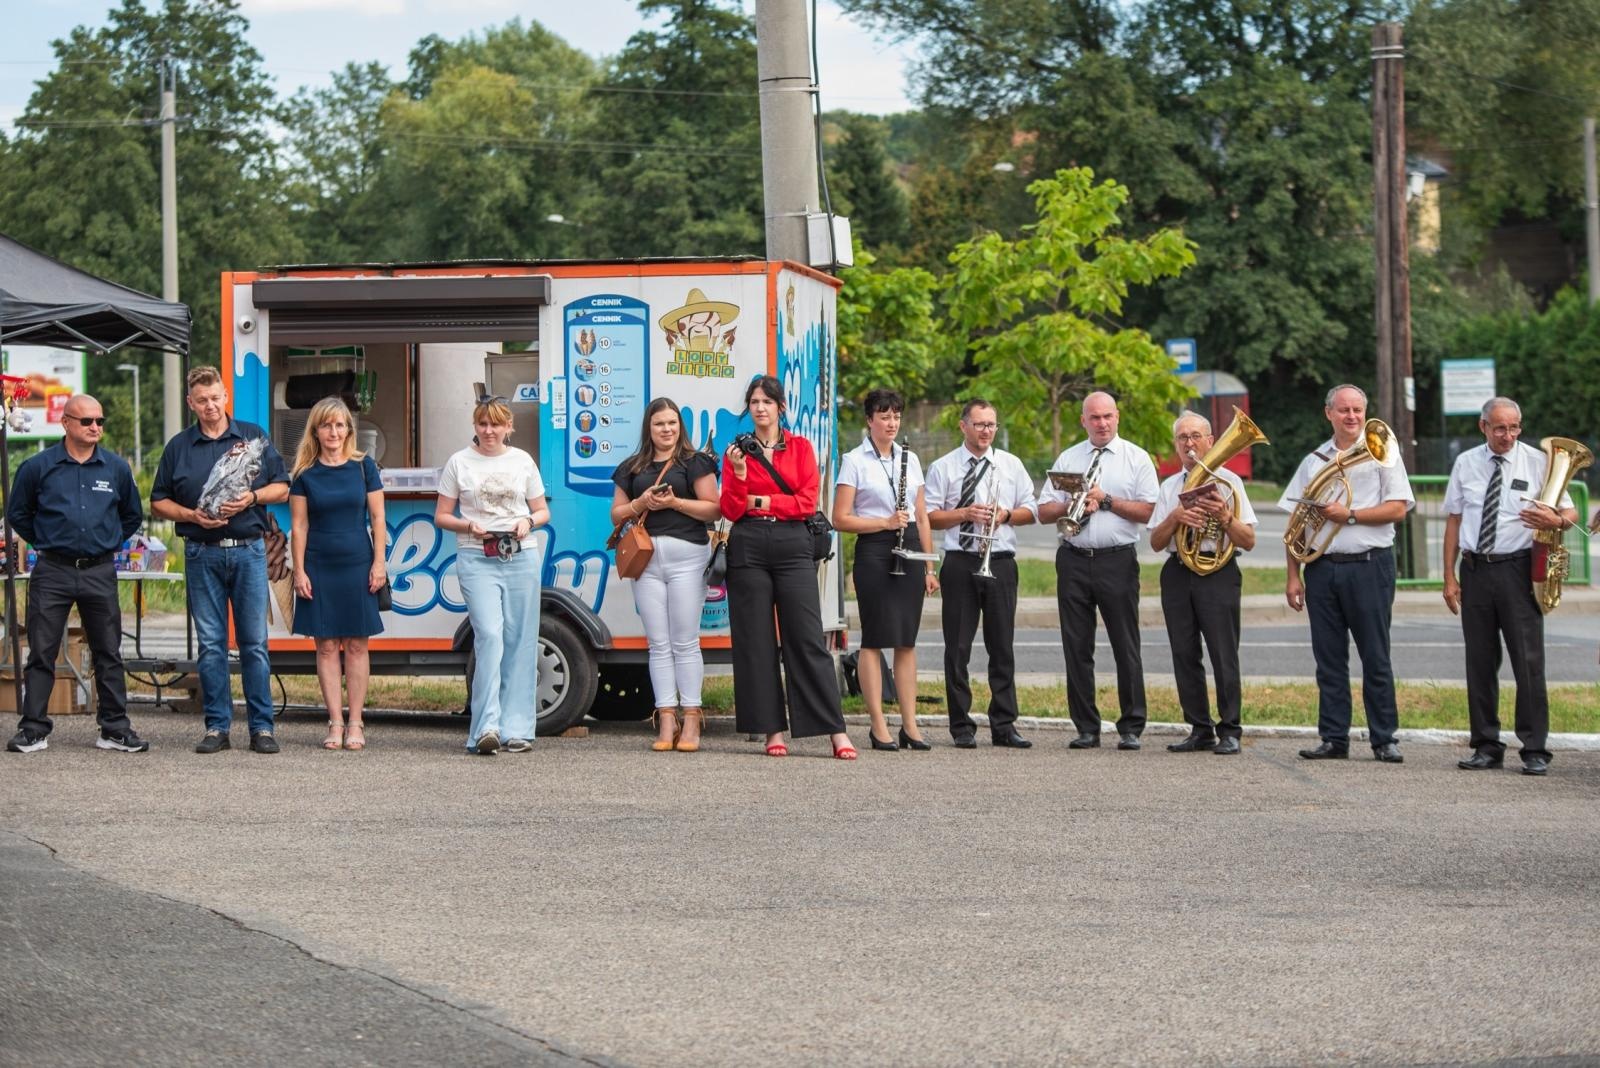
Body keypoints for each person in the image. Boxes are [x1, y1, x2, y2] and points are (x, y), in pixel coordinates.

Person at [151, 367, 291, 755]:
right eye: (202, 400)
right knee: (211, 645)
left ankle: (262, 728)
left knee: (254, 644)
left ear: (226, 396)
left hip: (248, 549)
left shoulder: (253, 437)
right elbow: (158, 501)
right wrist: (191, 515)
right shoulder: (178, 447)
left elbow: (283, 487)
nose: (210, 406)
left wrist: (252, 498)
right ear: (190, 403)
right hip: (201, 552)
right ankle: (217, 727)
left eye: (216, 398)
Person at [720, 375, 854, 759]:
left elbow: (806, 503)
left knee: (806, 636)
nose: (760, 408)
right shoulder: (736, 454)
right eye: (754, 402)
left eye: (767, 401)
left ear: (780, 406)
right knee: (755, 642)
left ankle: (834, 729)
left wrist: (762, 502)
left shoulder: (800, 448)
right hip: (747, 546)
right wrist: (741, 478)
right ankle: (772, 730)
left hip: (794, 544)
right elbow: (731, 510)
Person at [1279, 384, 1414, 763]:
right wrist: (1293, 576)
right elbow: (1296, 523)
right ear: (1329, 414)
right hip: (1322, 569)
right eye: (1344, 410)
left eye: (1357, 410)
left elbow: (1398, 509)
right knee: (1329, 659)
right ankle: (1334, 738)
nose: (1352, 416)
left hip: (1370, 566)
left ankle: (1384, 738)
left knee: (1376, 656)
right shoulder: (1314, 460)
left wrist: (1349, 515)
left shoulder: (1382, 453)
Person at [4, 395, 146, 754]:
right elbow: (18, 514)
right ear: (65, 423)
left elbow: (132, 515)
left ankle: (114, 728)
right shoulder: (38, 467)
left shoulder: (115, 468)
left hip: (99, 571)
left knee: (108, 651)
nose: (95, 427)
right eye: (87, 421)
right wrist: (48, 542)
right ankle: (34, 728)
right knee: (42, 650)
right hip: (53, 571)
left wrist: (107, 542)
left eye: (100, 421)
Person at [1442, 397, 1575, 777]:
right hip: (1475, 569)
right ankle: (1486, 745)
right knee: (1480, 662)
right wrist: (1449, 576)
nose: (1508, 435)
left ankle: (1534, 748)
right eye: (1500, 428)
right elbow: (1454, 519)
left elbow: (1569, 512)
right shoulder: (1465, 462)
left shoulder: (1538, 461)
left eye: (1514, 427)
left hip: (1518, 571)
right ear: (1483, 427)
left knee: (1528, 663)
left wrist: (1555, 518)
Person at [1037, 391, 1159, 751]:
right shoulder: (1069, 456)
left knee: (1125, 644)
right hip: (1074, 557)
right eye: (1094, 418)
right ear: (1083, 421)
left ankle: (1131, 726)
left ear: (1117, 417)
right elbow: (1044, 511)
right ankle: (1086, 727)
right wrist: (1073, 503)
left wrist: (1105, 501)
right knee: (1076, 646)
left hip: (1117, 560)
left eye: (1107, 416)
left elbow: (1150, 511)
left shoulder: (1136, 458)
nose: (1102, 423)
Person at [434, 396, 549, 756]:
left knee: (520, 639)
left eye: (496, 424)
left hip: (520, 554)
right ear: (475, 425)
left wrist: (527, 522)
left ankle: (517, 728)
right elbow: (442, 515)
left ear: (508, 427)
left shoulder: (522, 461)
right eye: (483, 424)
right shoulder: (459, 462)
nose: (489, 431)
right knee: (490, 636)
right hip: (476, 555)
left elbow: (542, 511)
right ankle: (485, 727)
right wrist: (468, 525)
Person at [925, 399, 1038, 749]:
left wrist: (1005, 516)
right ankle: (961, 725)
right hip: (960, 561)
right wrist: (963, 514)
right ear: (963, 427)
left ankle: (1004, 723)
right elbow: (928, 516)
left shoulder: (1010, 464)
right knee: (957, 648)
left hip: (1000, 560)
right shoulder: (944, 467)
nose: (986, 430)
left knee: (1001, 645)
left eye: (991, 424)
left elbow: (1031, 509)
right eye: (979, 424)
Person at [609, 397, 720, 753]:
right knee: (658, 643)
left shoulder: (696, 462)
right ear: (649, 428)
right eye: (659, 424)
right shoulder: (632, 466)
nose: (667, 429)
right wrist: (642, 503)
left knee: (685, 641)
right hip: (647, 560)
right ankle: (665, 717)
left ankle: (691, 719)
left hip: (688, 556)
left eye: (672, 423)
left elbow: (713, 508)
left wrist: (674, 503)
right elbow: (617, 514)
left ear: (680, 426)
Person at [832, 389, 938, 751]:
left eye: (896, 416)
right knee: (875, 639)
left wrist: (928, 564)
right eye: (884, 416)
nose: (891, 423)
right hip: (875, 551)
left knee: (906, 641)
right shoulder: (854, 460)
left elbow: (921, 516)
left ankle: (911, 725)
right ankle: (879, 726)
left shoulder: (911, 458)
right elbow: (840, 518)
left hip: (908, 548)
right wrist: (883, 522)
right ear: (869, 420)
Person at [1147, 410, 1257, 756]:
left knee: (1224, 653)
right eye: (1183, 438)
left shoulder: (1230, 483)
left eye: (1196, 436)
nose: (1190, 444)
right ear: (1176, 445)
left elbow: (1249, 540)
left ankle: (1230, 729)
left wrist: (1224, 517)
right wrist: (1176, 516)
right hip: (1179, 571)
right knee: (1183, 653)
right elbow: (1154, 542)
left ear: (1211, 441)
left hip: (1219, 573)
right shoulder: (1169, 487)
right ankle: (1199, 728)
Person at [289, 397, 386, 752]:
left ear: (349, 430)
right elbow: (299, 526)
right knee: (327, 645)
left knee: (358, 644)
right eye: (327, 425)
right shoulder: (304, 473)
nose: (333, 431)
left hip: (358, 563)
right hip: (318, 564)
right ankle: (335, 721)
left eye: (340, 425)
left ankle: (357, 722)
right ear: (316, 429)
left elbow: (377, 519)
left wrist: (379, 563)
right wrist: (298, 570)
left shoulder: (364, 467)